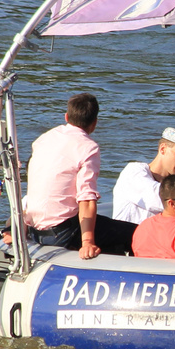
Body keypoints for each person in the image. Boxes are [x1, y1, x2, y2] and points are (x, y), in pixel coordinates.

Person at [23, 92, 137, 259]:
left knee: (106, 227)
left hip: (35, 230)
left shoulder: (43, 139)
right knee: (134, 233)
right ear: (95, 123)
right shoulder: (88, 147)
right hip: (62, 232)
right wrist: (88, 242)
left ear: (67, 116)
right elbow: (87, 199)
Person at [111, 127, 175, 224]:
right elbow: (157, 197)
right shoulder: (132, 172)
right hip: (127, 237)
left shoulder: (171, 184)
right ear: (163, 149)